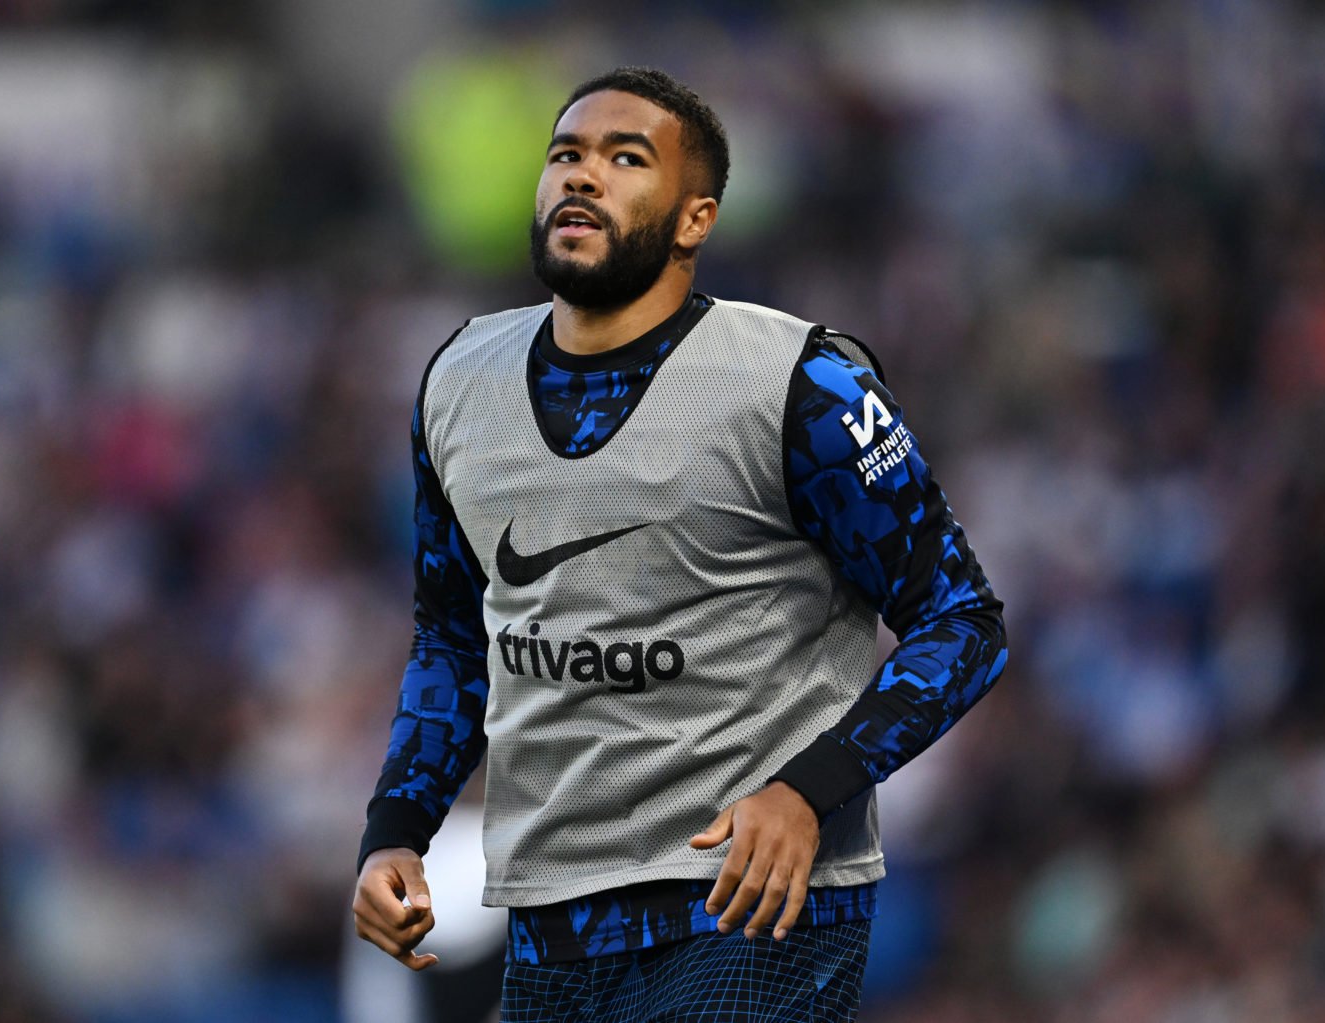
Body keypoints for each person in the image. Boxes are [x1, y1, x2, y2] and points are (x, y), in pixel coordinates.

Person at [351, 66, 1007, 1021]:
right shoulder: (457, 380)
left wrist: (809, 788)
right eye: (565, 155)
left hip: (752, 902)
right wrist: (396, 829)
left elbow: (963, 620)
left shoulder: (802, 382)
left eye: (626, 158)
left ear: (696, 219)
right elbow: (455, 637)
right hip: (549, 906)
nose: (583, 177)